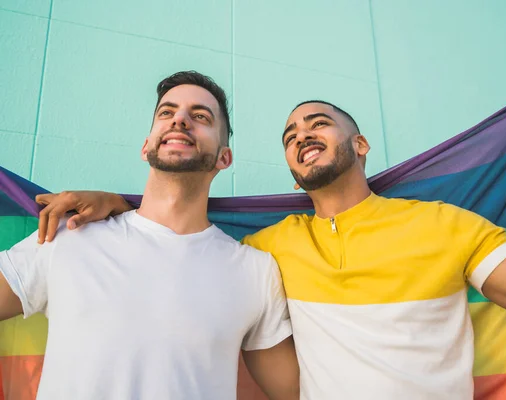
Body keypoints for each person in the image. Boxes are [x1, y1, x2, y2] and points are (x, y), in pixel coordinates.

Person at [34, 64, 506, 399]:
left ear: (360, 145)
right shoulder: (268, 248)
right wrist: (120, 203)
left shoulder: (446, 225)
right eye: (289, 134)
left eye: (318, 123)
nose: (301, 134)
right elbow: (176, 226)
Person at [0, 71, 299, 400]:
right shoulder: (66, 235)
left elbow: (298, 393)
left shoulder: (256, 271)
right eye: (166, 113)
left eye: (200, 116)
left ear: (223, 157)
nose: (180, 120)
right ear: (146, 146)